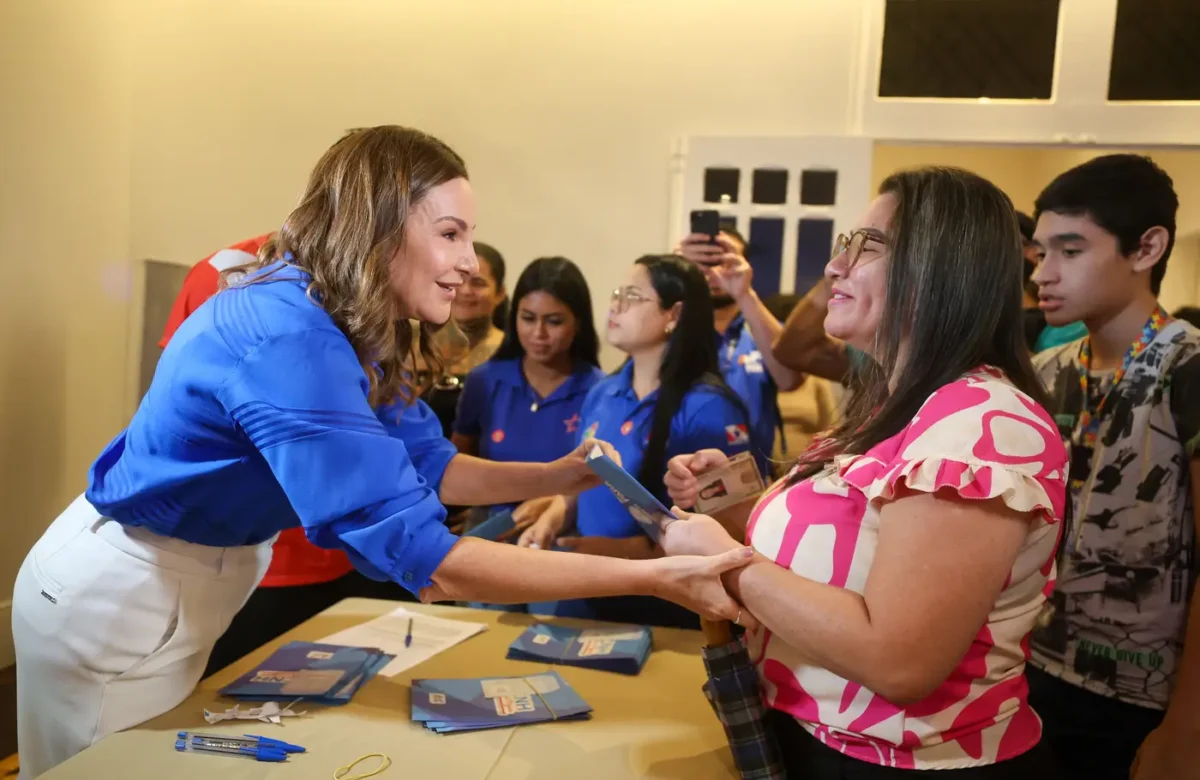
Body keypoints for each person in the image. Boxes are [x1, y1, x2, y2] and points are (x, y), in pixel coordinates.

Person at [10, 126, 754, 778]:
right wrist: (662, 578)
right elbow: (429, 561)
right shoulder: (287, 338)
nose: (468, 264)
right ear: (380, 225)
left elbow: (438, 469)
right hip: (128, 590)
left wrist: (564, 471)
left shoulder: (348, 327)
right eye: (451, 234)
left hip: (193, 580)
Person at [662, 167, 1068, 776]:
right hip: (816, 738)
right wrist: (728, 498)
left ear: (939, 268)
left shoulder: (979, 424)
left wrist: (728, 563)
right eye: (842, 247)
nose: (833, 269)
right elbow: (844, 546)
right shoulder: (894, 402)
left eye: (866, 247)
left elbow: (899, 662)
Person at [1027, 154, 1200, 780]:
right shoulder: (1045, 372)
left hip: (1146, 697)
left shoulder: (1187, 367)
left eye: (1069, 251)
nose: (1043, 273)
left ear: (1146, 247)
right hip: (1034, 668)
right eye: (1040, 253)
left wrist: (1187, 725)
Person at [155, 233, 386, 679]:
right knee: (227, 704)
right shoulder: (225, 272)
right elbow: (177, 403)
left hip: (329, 549)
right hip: (244, 552)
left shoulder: (358, 280)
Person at [516, 255, 754, 628]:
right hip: (589, 590)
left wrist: (623, 555)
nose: (616, 305)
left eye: (632, 296)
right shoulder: (604, 391)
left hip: (664, 607)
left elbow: (732, 532)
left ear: (673, 314)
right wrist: (555, 516)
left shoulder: (708, 406)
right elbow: (590, 481)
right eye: (616, 294)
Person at [451, 256, 605, 538]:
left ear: (578, 323)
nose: (539, 334)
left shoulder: (600, 391)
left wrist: (554, 505)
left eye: (554, 321)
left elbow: (604, 482)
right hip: (491, 531)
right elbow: (453, 463)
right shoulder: (485, 380)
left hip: (562, 535)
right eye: (528, 318)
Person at [676, 229, 805, 477]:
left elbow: (790, 379)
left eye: (723, 261)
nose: (712, 272)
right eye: (703, 263)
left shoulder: (760, 327)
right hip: (677, 478)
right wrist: (673, 272)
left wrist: (743, 293)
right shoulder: (670, 326)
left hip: (747, 480)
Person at [421, 241, 508, 437]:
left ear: (500, 293)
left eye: (478, 283)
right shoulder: (417, 344)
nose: (466, 291)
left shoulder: (511, 350)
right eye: (459, 279)